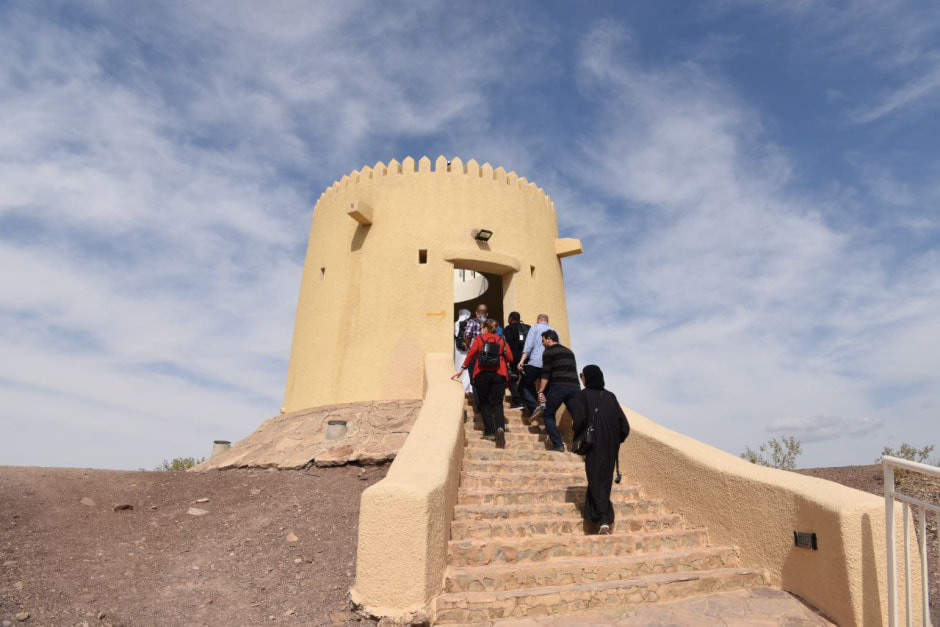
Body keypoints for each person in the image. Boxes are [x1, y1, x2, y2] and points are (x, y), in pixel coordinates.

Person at [570, 365, 630, 534]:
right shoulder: (610, 396)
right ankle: (592, 517)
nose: (581, 378)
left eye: (582, 375)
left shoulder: (582, 396)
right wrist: (615, 441)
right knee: (603, 479)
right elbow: (624, 426)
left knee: (596, 479)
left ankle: (604, 517)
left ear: (587, 377)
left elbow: (579, 421)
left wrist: (577, 433)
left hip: (594, 444)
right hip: (610, 445)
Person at [453, 319, 513, 448]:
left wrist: (461, 369)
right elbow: (510, 358)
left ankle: (490, 432)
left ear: (485, 328)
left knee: (485, 402)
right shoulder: (501, 340)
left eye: (481, 328)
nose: (480, 330)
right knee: (497, 403)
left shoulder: (479, 339)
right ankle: (501, 428)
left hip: (481, 374)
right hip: (499, 374)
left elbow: (470, 355)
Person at [535, 330, 580, 452]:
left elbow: (545, 374)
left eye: (543, 340)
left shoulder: (549, 351)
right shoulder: (569, 352)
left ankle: (558, 444)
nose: (543, 343)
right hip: (575, 387)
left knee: (548, 415)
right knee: (577, 416)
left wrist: (541, 391)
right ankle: (578, 443)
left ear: (549, 339)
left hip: (558, 387)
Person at [517, 313, 554, 417]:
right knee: (547, 391)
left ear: (538, 320)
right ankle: (547, 416)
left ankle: (534, 407)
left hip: (535, 363)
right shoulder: (554, 330)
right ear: (547, 321)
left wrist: (521, 361)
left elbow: (528, 346)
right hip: (549, 365)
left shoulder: (535, 328)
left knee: (523, 387)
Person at [463, 304, 490, 409]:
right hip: (488, 355)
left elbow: (467, 335)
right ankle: (487, 403)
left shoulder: (472, 322)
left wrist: (467, 345)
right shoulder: (490, 323)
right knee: (487, 379)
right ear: (487, 314)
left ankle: (479, 405)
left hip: (475, 354)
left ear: (476, 313)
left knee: (474, 379)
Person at [503, 311, 530, 409]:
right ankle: (529, 402)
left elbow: (508, 344)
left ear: (510, 318)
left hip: (515, 357)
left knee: (511, 378)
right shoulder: (528, 327)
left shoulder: (509, 328)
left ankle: (518, 401)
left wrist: (508, 360)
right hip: (527, 357)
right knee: (527, 379)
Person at [453, 309, 472, 393]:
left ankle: (459, 386)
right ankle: (467, 387)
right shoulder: (469, 324)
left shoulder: (455, 324)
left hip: (457, 348)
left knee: (458, 365)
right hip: (466, 347)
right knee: (466, 365)